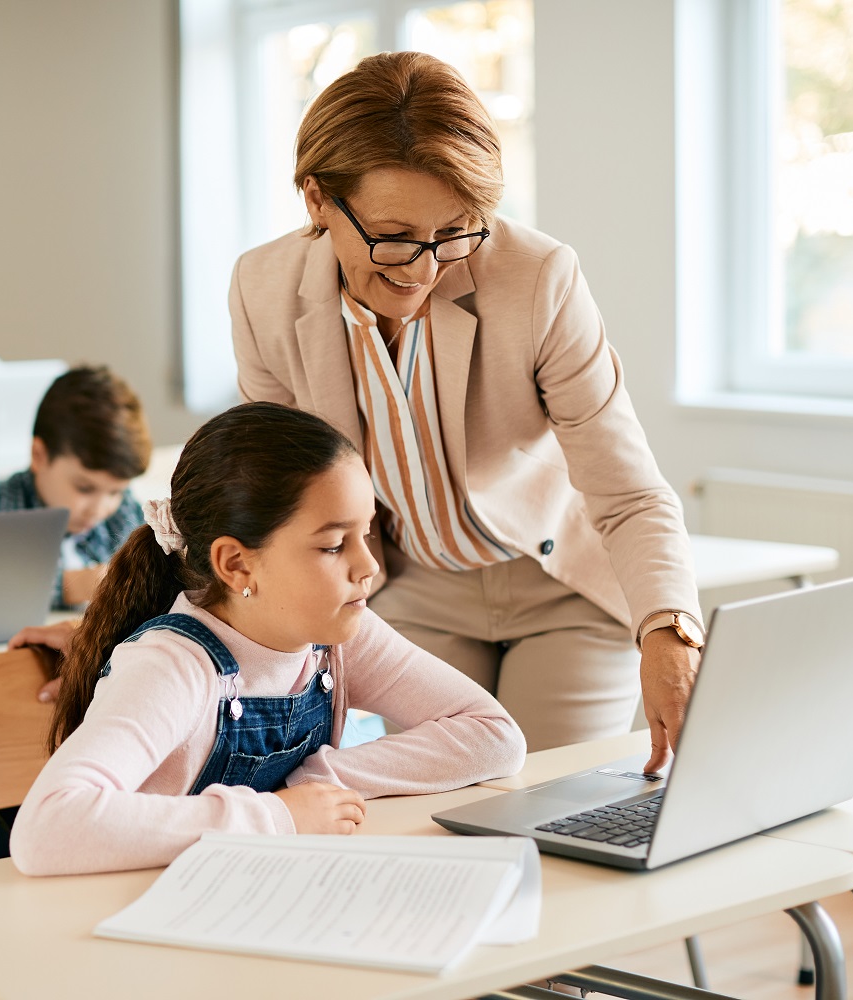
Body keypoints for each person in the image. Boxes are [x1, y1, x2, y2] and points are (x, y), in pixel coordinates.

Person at [228, 51, 703, 770]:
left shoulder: (538, 278)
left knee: (557, 809)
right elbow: (267, 497)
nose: (422, 269)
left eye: (454, 232)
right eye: (393, 235)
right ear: (318, 201)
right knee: (447, 811)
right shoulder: (262, 290)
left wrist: (669, 631)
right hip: (414, 590)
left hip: (561, 586)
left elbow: (627, 489)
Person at [9, 402, 524, 876]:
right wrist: (276, 814)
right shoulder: (172, 666)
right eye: (332, 545)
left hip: (268, 891)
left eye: (366, 534)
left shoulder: (341, 636)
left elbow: (494, 736)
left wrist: (321, 778)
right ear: (236, 564)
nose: (368, 567)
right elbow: (47, 829)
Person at [0, 365, 149, 610]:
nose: (99, 509)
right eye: (85, 488)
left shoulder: (125, 512)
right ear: (39, 455)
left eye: (115, 492)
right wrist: (74, 585)